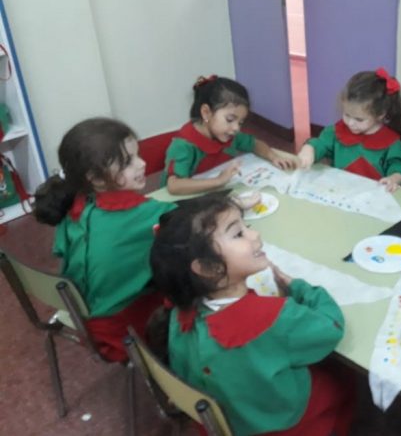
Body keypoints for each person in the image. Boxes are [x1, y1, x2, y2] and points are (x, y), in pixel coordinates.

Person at [149, 194, 354, 436]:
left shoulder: (178, 312)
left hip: (227, 419)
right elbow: (332, 327)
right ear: (208, 268)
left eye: (246, 226)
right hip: (282, 424)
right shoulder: (275, 318)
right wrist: (299, 287)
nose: (255, 234)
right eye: (238, 234)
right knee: (345, 380)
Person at [33, 118, 177, 362]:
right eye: (128, 162)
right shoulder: (148, 213)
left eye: (138, 154)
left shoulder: (75, 205)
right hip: (125, 335)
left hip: (84, 318)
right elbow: (190, 229)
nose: (142, 163)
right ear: (96, 178)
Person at [163, 75, 296, 195]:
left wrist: (273, 157)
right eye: (230, 119)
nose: (236, 128)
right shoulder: (183, 145)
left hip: (219, 194)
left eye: (241, 122)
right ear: (206, 113)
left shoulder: (229, 135)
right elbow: (174, 186)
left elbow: (254, 144)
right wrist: (218, 181)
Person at [297, 68, 401, 192]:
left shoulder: (392, 143)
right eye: (346, 115)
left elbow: (398, 169)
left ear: (380, 114)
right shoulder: (336, 131)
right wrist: (309, 148)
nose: (350, 123)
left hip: (372, 195)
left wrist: (393, 179)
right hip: (339, 191)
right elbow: (321, 144)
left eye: (359, 119)